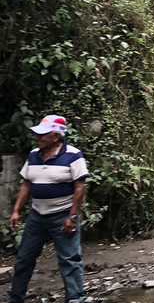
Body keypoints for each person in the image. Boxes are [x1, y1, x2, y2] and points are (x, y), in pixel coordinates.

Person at [6, 115, 89, 303]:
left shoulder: (73, 155)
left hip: (63, 216)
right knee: (24, 258)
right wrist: (16, 211)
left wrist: (72, 216)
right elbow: (26, 184)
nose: (37, 138)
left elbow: (79, 187)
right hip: (37, 216)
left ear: (56, 136)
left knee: (69, 259)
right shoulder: (33, 155)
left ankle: (75, 299)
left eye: (42, 134)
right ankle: (15, 297)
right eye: (37, 134)